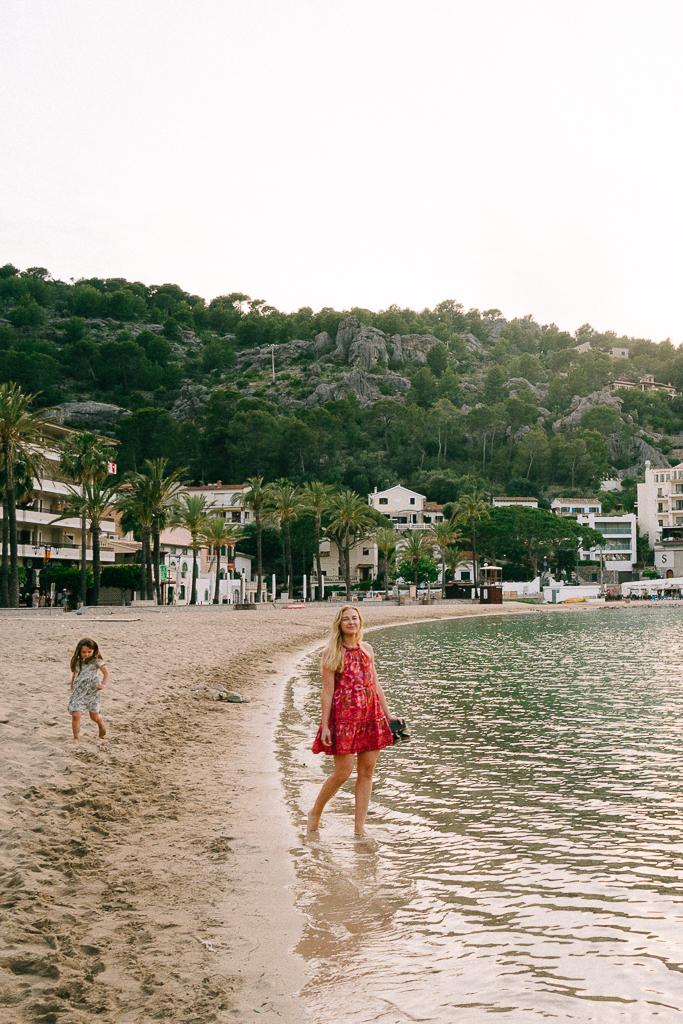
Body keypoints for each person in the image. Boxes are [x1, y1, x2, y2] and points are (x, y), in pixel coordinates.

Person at [307, 605, 395, 836]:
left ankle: (359, 828)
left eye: (354, 618)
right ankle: (315, 812)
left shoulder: (367, 649)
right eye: (346, 619)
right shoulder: (331, 653)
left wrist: (388, 715)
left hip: (370, 716)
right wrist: (324, 725)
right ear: (339, 624)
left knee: (367, 773)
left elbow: (375, 685)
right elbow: (327, 692)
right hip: (344, 719)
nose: (351, 622)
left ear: (360, 621)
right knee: (342, 773)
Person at [68, 637, 109, 740]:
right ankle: (76, 738)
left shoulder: (97, 661)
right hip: (78, 693)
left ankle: (100, 724)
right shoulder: (77, 662)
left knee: (94, 717)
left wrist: (103, 684)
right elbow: (75, 674)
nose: (86, 654)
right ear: (79, 651)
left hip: (92, 693)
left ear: (94, 651)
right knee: (76, 715)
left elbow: (106, 672)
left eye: (89, 652)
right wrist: (72, 686)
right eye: (84, 652)